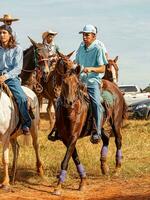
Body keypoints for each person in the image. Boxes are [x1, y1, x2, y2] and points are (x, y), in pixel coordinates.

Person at [75, 24, 108, 144]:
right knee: (63, 98)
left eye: (87, 34)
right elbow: (76, 62)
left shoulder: (98, 48)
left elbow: (102, 68)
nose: (84, 37)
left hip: (93, 81)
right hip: (80, 80)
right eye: (83, 34)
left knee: (96, 103)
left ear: (94, 36)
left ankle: (97, 132)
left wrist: (90, 69)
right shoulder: (81, 47)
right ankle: (58, 128)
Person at [0, 24, 31, 135]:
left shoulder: (17, 49)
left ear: (10, 35)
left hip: (11, 78)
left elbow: (18, 68)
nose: (1, 35)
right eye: (0, 33)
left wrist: (5, 76)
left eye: (4, 33)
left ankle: (26, 123)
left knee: (22, 98)